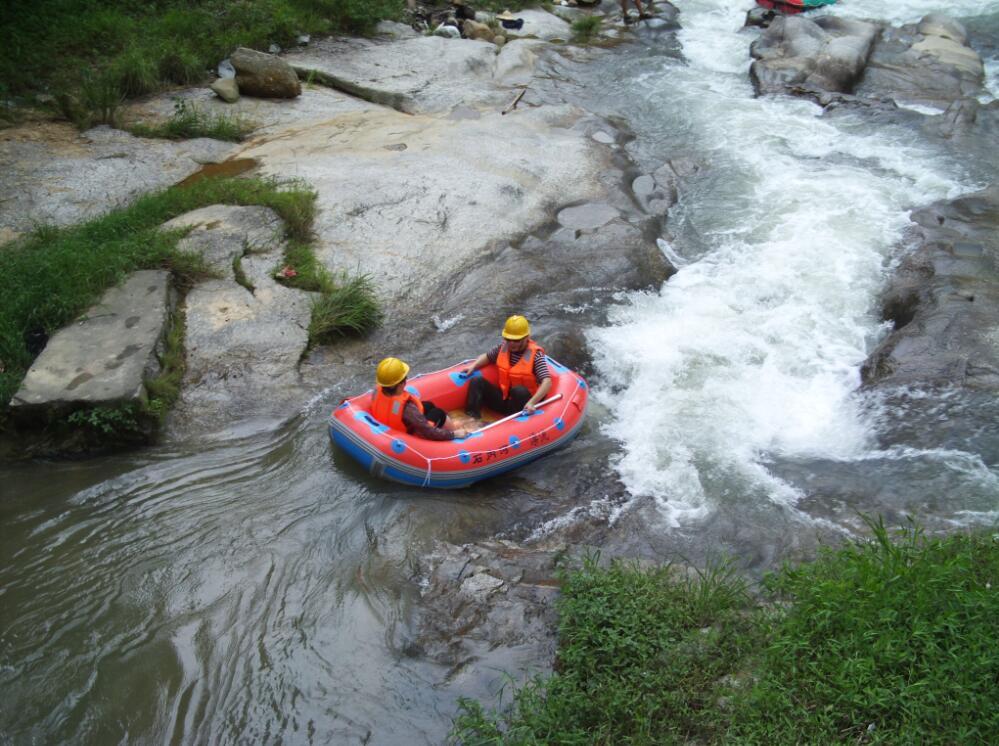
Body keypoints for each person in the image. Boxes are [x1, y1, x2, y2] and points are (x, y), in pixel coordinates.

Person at [463, 315, 553, 418]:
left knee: (518, 390)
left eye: (516, 340)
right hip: (505, 399)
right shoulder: (503, 347)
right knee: (477, 381)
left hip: (525, 405)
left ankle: (517, 424)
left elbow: (547, 382)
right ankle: (472, 418)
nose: (511, 343)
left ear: (526, 337)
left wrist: (532, 402)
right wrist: (474, 366)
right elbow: (487, 356)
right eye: (508, 339)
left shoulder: (536, 356)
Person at [372, 357, 468, 440]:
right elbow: (428, 431)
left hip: (391, 425)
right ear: (401, 383)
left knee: (428, 405)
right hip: (409, 437)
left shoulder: (377, 391)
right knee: (439, 413)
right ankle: (455, 429)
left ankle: (450, 421)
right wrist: (453, 435)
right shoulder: (407, 408)